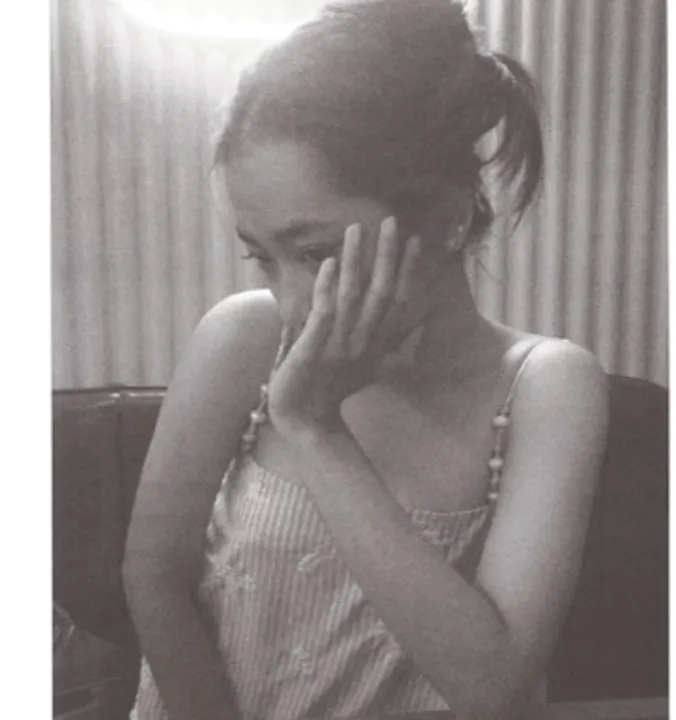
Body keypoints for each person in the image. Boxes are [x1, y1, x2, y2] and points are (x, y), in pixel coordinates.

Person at [122, 1, 609, 719]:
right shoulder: (242, 338)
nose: (293, 303)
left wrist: (316, 429)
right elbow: (153, 575)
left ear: (447, 218)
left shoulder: (544, 385)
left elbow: (493, 686)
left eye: (317, 253)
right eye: (263, 257)